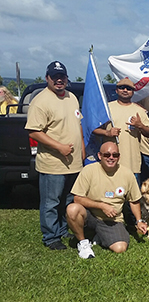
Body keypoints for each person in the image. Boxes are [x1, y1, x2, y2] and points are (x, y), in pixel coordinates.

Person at [25, 61, 84, 250]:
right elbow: (34, 132)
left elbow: (78, 125)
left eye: (62, 77)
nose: (59, 80)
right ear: (47, 78)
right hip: (53, 163)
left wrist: (82, 148)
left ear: (66, 78)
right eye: (55, 77)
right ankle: (51, 237)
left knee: (67, 199)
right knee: (51, 202)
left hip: (73, 163)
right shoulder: (41, 101)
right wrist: (59, 147)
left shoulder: (72, 97)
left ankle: (62, 229)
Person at [66, 142, 147, 259]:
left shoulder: (127, 174)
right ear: (99, 156)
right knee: (72, 209)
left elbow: (134, 201)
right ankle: (83, 243)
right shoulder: (89, 170)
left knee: (120, 248)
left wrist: (139, 221)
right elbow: (77, 198)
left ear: (119, 157)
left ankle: (101, 235)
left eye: (115, 155)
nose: (111, 158)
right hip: (90, 215)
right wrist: (102, 206)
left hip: (113, 219)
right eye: (107, 155)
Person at [93, 78, 149, 182]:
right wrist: (107, 132)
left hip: (132, 164)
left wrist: (140, 126)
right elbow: (93, 129)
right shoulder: (107, 108)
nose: (125, 90)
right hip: (110, 162)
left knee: (132, 197)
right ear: (116, 90)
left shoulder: (139, 110)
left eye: (129, 88)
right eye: (122, 88)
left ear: (133, 92)